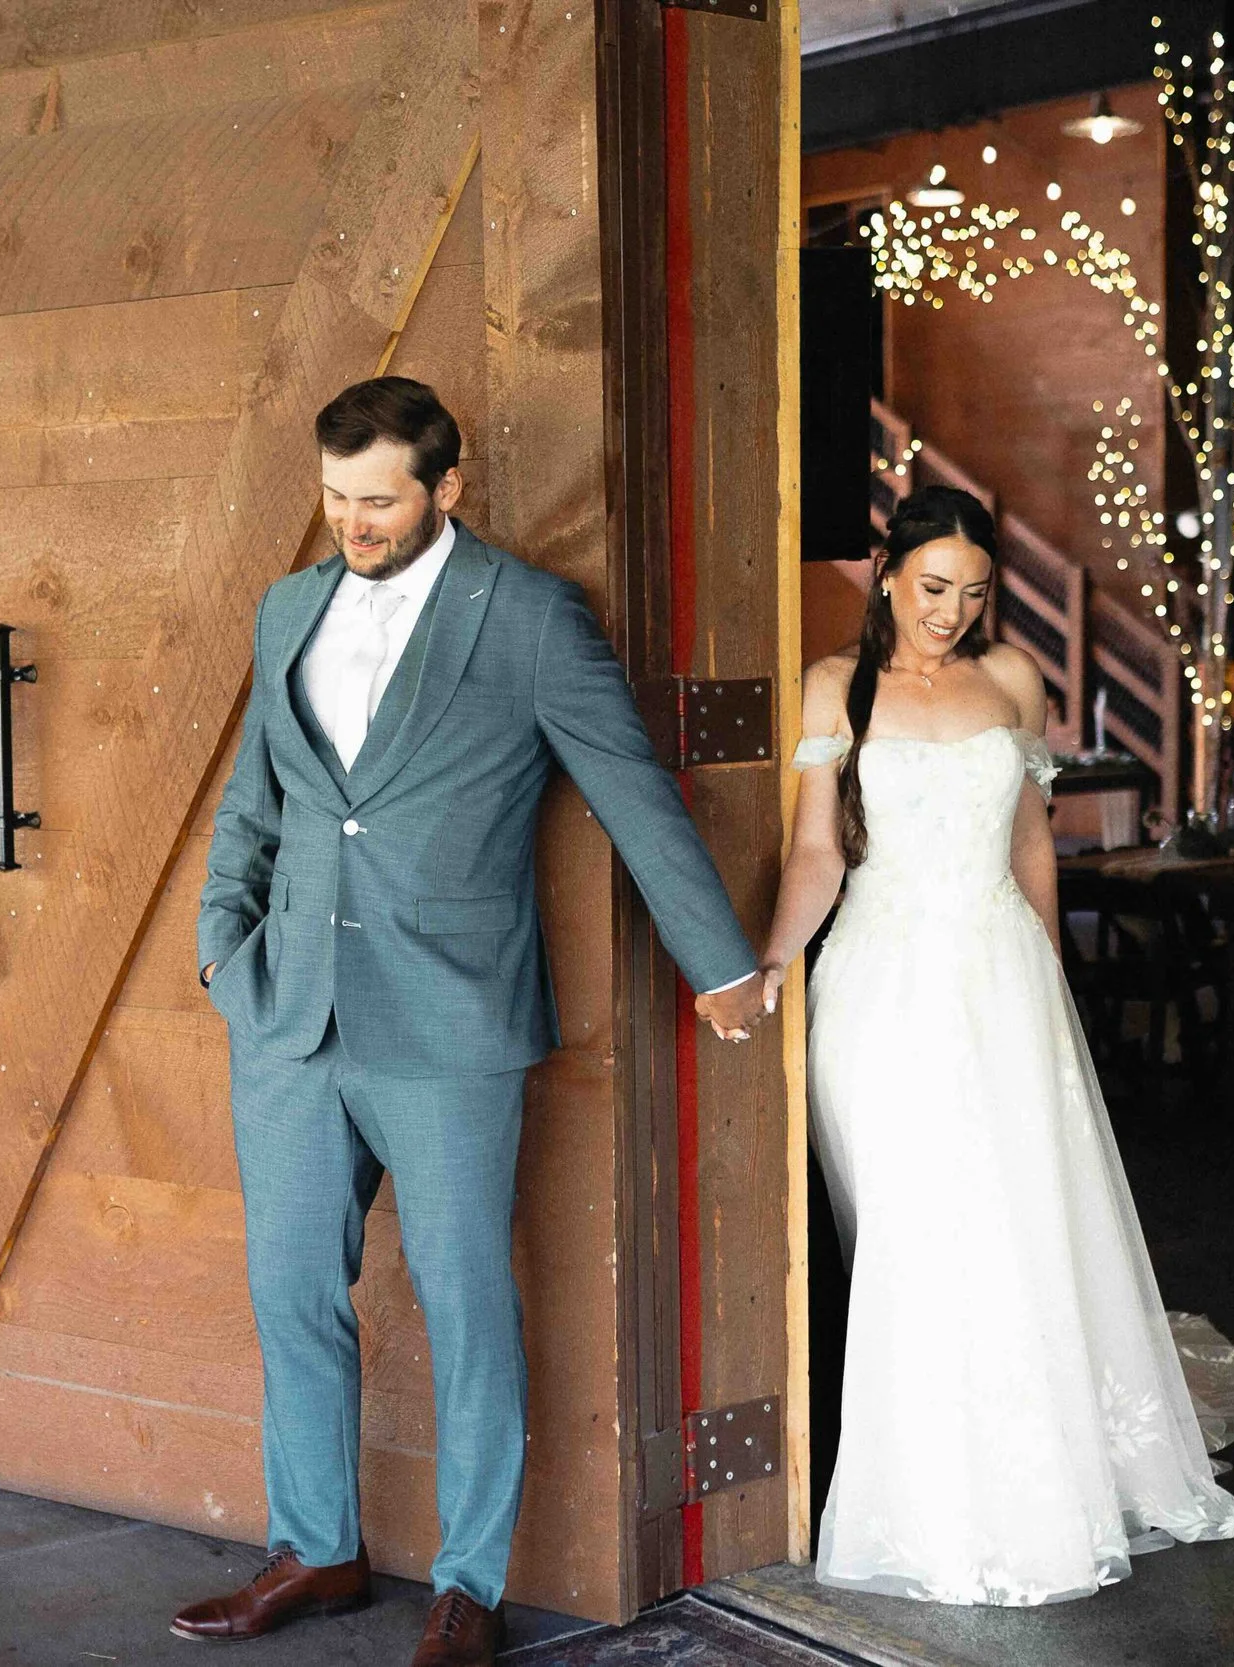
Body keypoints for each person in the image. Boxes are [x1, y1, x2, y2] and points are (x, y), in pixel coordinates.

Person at [176, 377, 767, 1666]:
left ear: (447, 486)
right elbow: (258, 797)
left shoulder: (533, 618)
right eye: (334, 497)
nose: (352, 522)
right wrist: (225, 943)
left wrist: (716, 963)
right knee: (290, 1291)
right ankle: (317, 1547)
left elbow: (632, 792)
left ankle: (468, 1583)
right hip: (287, 1012)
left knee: (462, 1300)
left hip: (448, 1012)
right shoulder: (288, 605)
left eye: (378, 498)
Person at [755, 486, 1234, 1606]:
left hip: (1002, 975)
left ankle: (1037, 1469)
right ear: (887, 574)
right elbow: (818, 850)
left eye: (973, 593)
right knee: (912, 1228)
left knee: (1018, 1223)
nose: (951, 612)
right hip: (879, 983)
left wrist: (1052, 987)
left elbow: (1031, 841)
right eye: (933, 588)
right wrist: (774, 960)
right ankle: (926, 1486)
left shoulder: (1015, 679)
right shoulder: (838, 686)